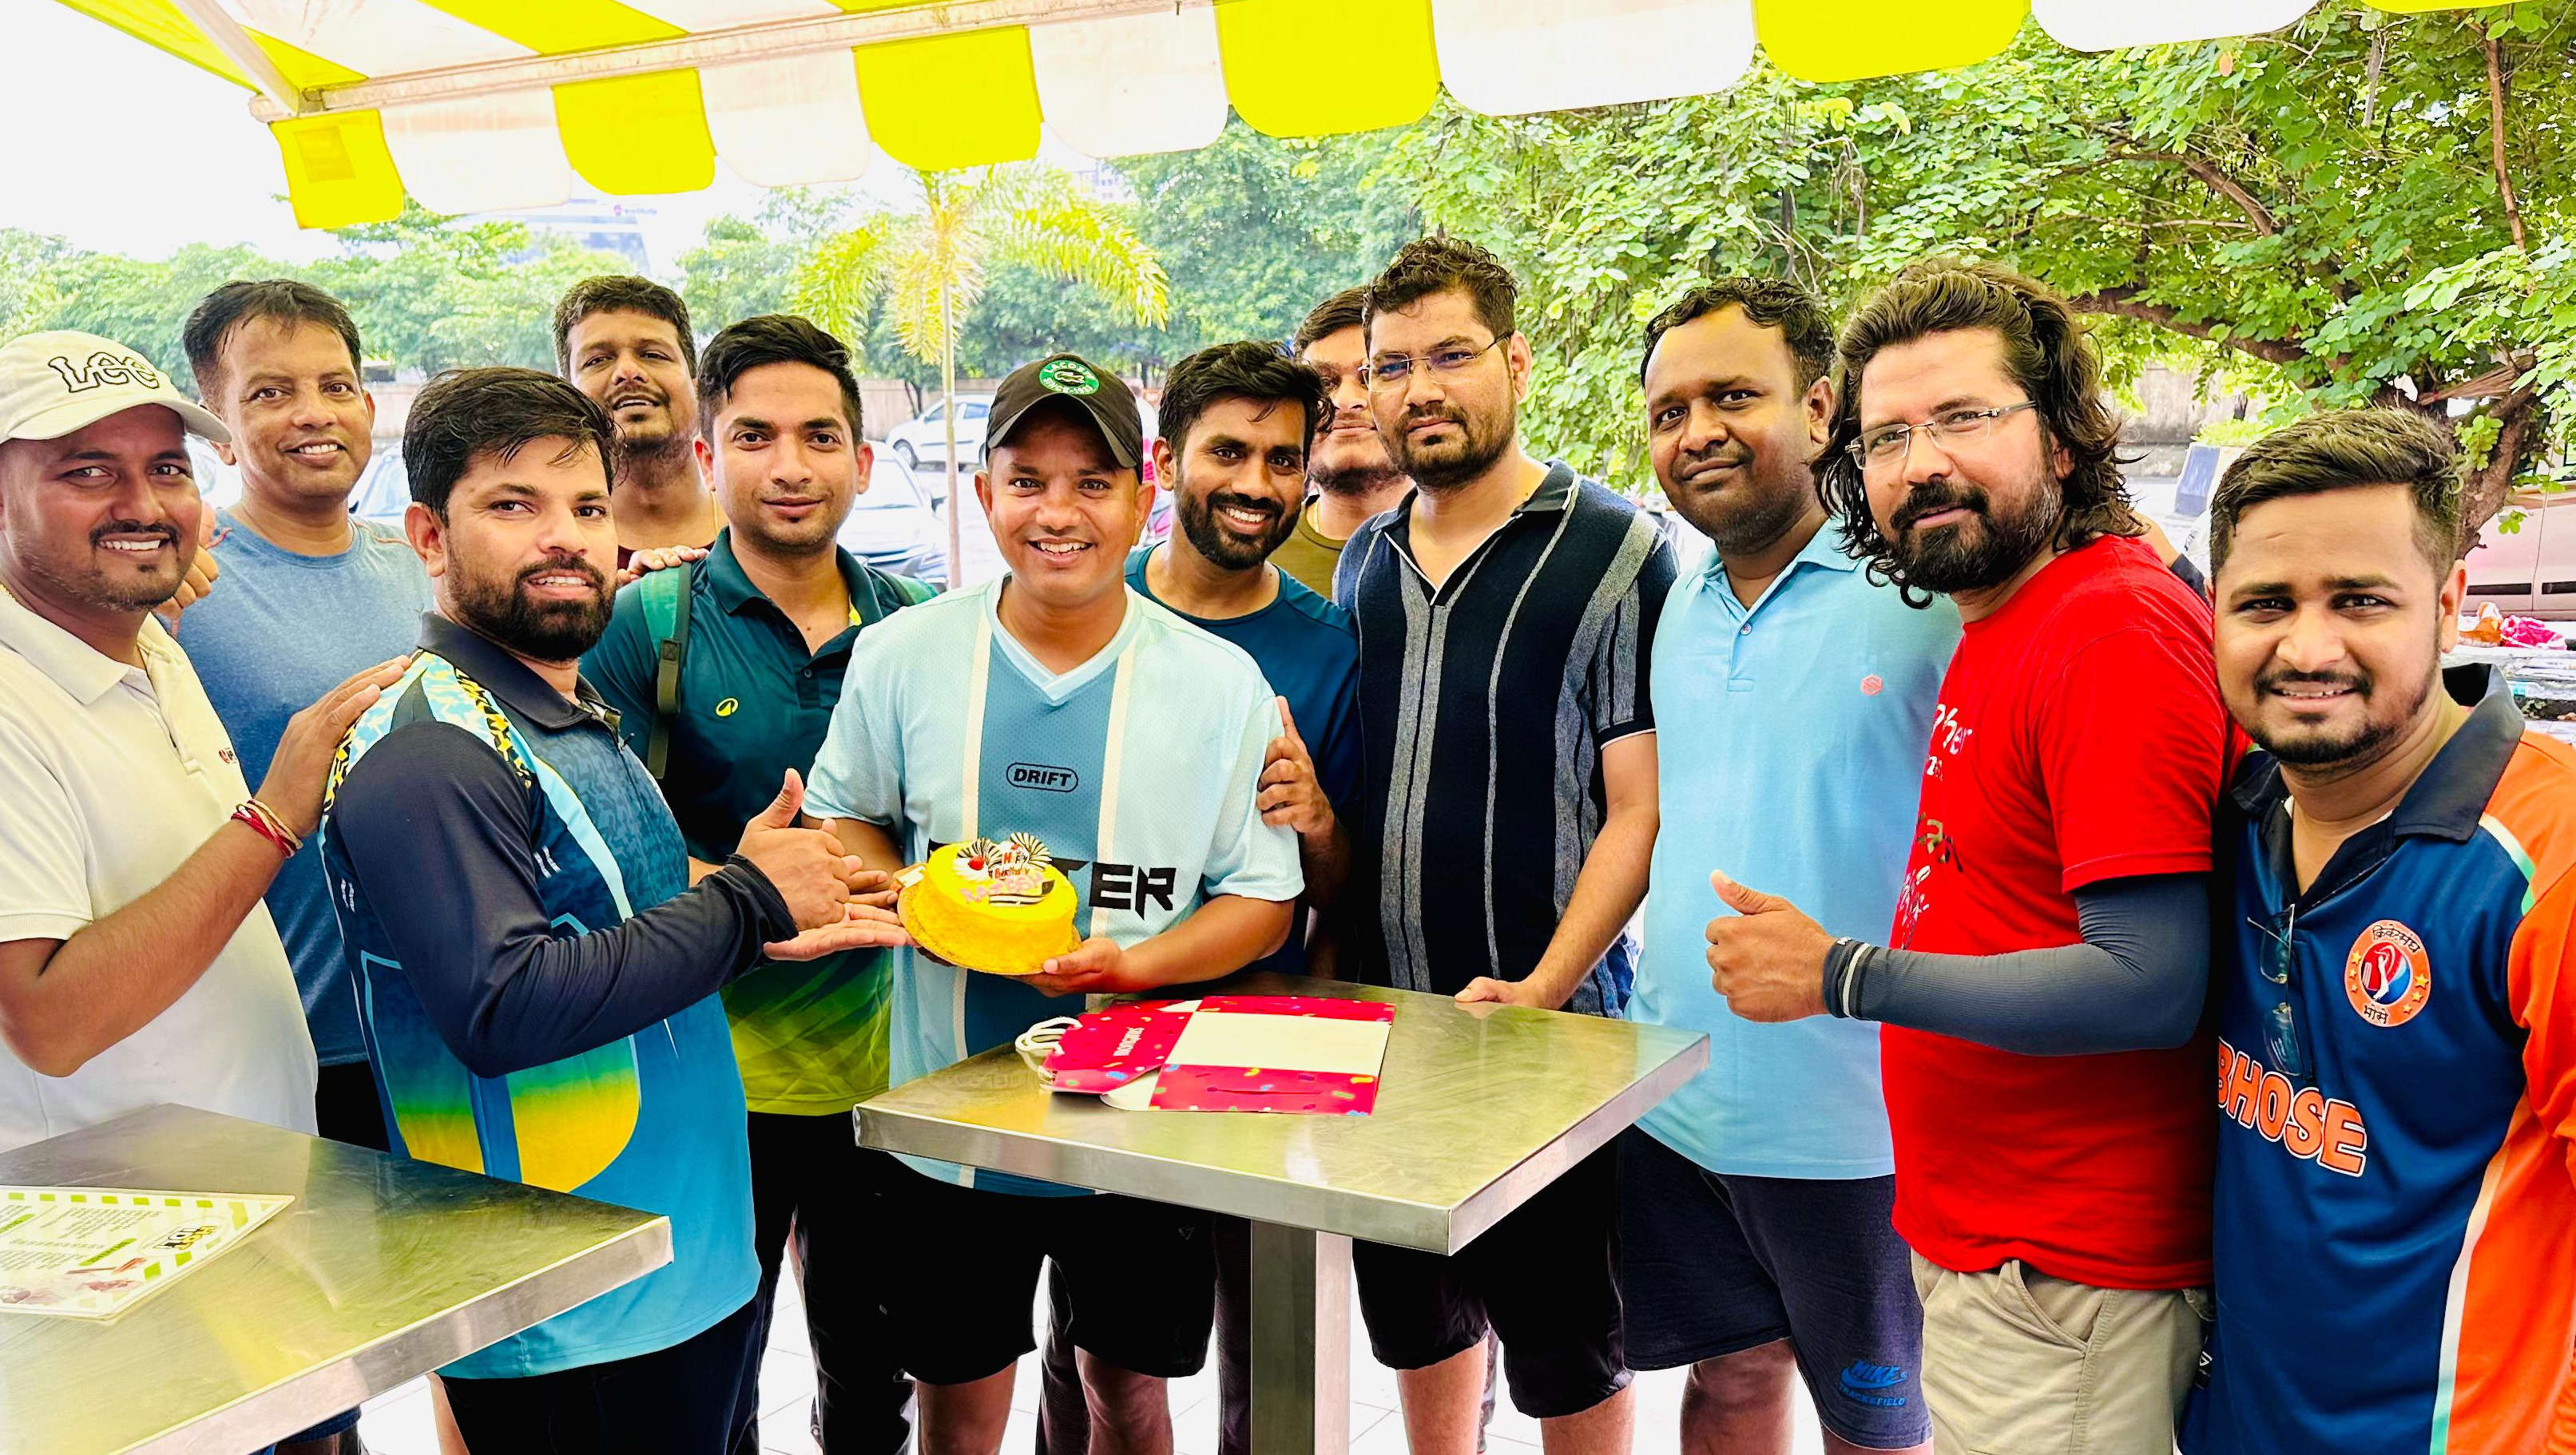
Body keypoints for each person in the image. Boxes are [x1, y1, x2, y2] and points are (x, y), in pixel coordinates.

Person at [319, 365, 900, 1453]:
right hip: (567, 1306)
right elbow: (503, 1001)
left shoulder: (557, 707)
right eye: (513, 505)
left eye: (587, 506)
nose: (565, 537)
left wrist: (767, 894)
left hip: (665, 1269)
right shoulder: (431, 746)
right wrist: (749, 901)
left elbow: (619, 912)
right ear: (428, 536)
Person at [1699, 258, 2222, 1453]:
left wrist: (1838, 975)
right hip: (1997, 1251)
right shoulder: (2007, 615)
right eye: (1887, 436)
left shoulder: (2107, 628)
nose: (1921, 462)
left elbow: (2150, 978)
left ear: (2064, 438)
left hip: (2070, 1275)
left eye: (1963, 417)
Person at [804, 351, 1304, 1455]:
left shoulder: (1219, 682)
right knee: (959, 1408)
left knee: (1129, 1394)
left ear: (1143, 494)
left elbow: (1263, 899)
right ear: (984, 491)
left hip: (1144, 1118)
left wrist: (1131, 967)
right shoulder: (902, 655)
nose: (1058, 512)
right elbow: (844, 816)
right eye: (1027, 480)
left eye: (1092, 482)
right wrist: (914, 894)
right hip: (945, 1125)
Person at [1336, 237, 1673, 1455]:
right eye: (1391, 366)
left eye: (1449, 355)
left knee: (1570, 1349)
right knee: (1419, 1327)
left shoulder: (1618, 549)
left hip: (1550, 1038)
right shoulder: (1365, 560)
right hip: (1384, 1034)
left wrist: (1540, 986)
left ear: (1516, 362)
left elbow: (1639, 806)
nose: (1419, 388)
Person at [2184, 410, 2576, 1454]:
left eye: (2360, 600)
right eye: (2266, 603)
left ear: (2448, 603)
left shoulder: (2548, 858)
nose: (2308, 647)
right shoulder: (2234, 812)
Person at [584, 315, 925, 1455]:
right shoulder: (646, 623)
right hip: (706, 1077)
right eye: (755, 436)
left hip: (887, 1070)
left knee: (872, 1381)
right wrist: (757, 891)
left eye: (820, 437)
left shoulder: (916, 627)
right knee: (708, 1384)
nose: (790, 465)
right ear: (706, 455)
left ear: (861, 460)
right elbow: (600, 843)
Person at [1621, 280, 1948, 1455]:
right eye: (1669, 412)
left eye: (1731, 396)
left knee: (1875, 1426)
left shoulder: (1925, 593)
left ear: (1818, 410)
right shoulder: (1682, 602)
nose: (1696, 431)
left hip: (1860, 1130)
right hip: (1676, 1103)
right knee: (1725, 1383)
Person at [1034, 339, 1359, 1455]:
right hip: (1068, 1038)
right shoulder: (1079, 596)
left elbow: (1338, 889)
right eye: (1229, 452)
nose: (1257, 484)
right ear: (1166, 463)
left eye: (1283, 459)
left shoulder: (1329, 647)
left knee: (1262, 1356)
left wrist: (1317, 819)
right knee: (1094, 1363)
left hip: (1249, 1048)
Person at [0, 325, 398, 1153]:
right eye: (87, 472)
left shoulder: (149, 642)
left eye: (167, 469)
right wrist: (274, 818)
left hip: (247, 1177)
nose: (143, 505)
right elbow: (50, 1022)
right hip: (119, 1210)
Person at [177, 280, 431, 1154]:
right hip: (295, 1044)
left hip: (459, 1022)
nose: (312, 412)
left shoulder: (423, 565)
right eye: (269, 392)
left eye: (334, 386)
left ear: (368, 406)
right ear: (217, 429)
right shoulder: (183, 585)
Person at [553, 276, 719, 567]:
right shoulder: (552, 549)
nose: (628, 372)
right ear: (569, 397)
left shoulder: (762, 525)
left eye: (653, 355)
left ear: (697, 388)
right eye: (597, 360)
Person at [1268, 287, 1413, 597]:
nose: (1345, 401)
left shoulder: (1475, 548)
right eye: (1323, 383)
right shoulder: (1254, 557)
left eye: (1372, 376)